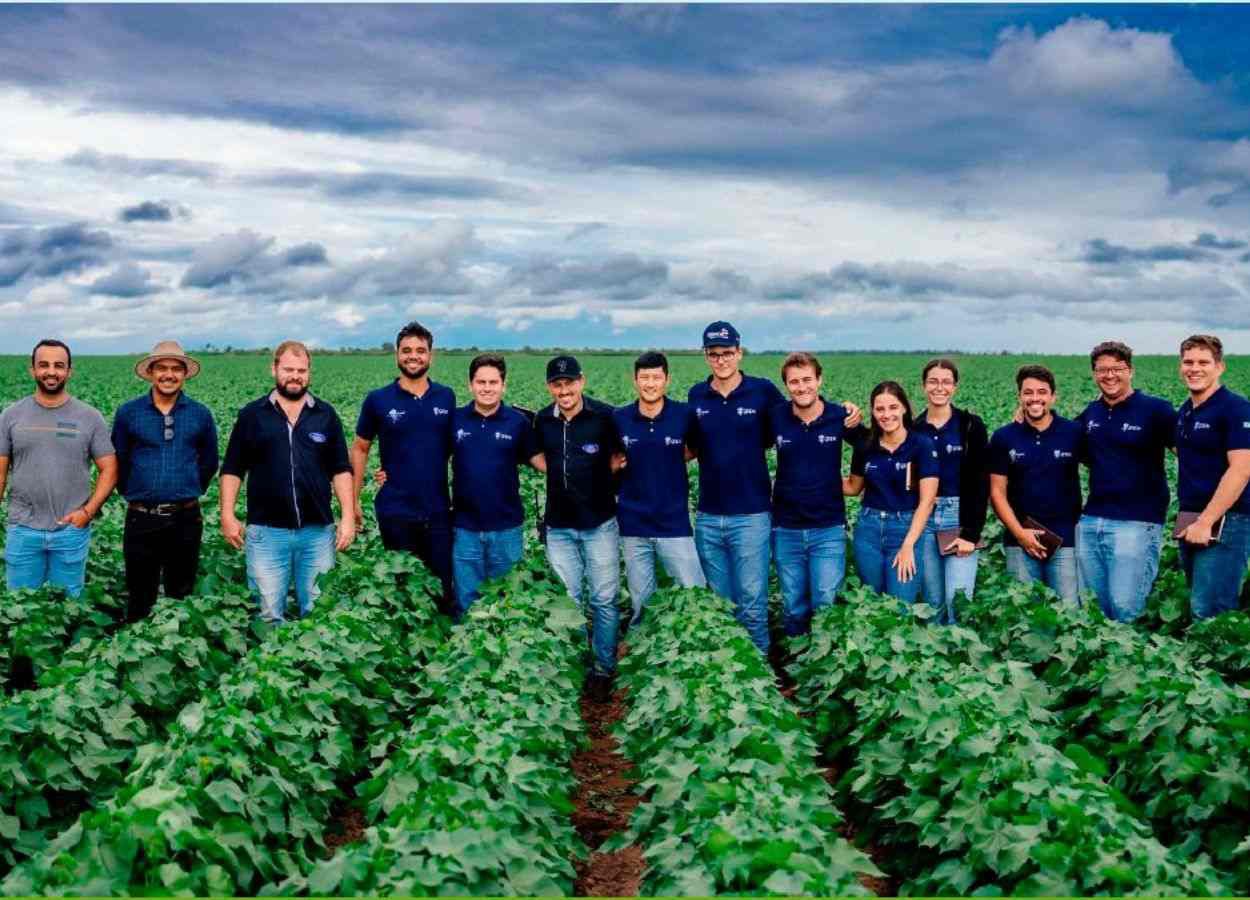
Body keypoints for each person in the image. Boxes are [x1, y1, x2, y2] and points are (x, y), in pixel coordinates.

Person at [220, 341, 355, 622]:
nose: (295, 376)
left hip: (317, 531)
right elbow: (233, 468)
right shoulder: (252, 415)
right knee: (267, 612)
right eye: (288, 369)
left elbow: (341, 469)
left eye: (302, 370)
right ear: (274, 370)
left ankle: (314, 664)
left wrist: (348, 516)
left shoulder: (325, 415)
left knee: (320, 610)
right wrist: (227, 513)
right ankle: (271, 665)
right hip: (267, 533)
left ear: (309, 373)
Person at [686, 321, 788, 653]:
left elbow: (798, 419)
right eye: (713, 354)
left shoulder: (763, 392)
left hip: (752, 513)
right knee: (720, 602)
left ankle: (758, 674)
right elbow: (688, 447)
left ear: (739, 352)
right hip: (709, 516)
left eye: (727, 353)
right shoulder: (696, 395)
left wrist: (845, 416)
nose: (721, 360)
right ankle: (729, 667)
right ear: (706, 356)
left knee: (752, 602)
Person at [533, 355, 622, 702]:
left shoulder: (605, 416)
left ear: (581, 382)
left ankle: (602, 670)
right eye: (557, 384)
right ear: (549, 387)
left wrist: (610, 471)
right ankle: (572, 667)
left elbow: (622, 455)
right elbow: (530, 454)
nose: (564, 389)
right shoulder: (542, 421)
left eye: (569, 382)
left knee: (604, 598)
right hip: (559, 526)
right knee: (568, 601)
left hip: (600, 522)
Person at [111, 341, 219, 622]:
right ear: (150, 372)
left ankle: (177, 652)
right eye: (161, 368)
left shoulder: (200, 414)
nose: (168, 374)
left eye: (175, 369)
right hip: (141, 518)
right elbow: (118, 461)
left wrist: (185, 490)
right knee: (139, 593)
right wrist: (139, 493)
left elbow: (209, 462)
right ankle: (135, 650)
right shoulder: (128, 413)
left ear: (184, 374)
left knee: (180, 592)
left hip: (186, 518)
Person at [352, 321, 456, 613]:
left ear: (431, 356)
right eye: (407, 350)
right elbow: (360, 447)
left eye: (421, 351)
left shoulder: (446, 397)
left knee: (442, 590)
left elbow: (453, 448)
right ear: (397, 355)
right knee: (401, 593)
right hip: (395, 511)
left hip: (438, 512)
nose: (414, 356)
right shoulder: (378, 399)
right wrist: (354, 500)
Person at [0, 339, 117, 598]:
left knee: (68, 605)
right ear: (32, 370)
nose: (51, 372)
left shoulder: (89, 416)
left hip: (70, 532)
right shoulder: (11, 415)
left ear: (69, 371)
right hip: (22, 529)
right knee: (20, 604)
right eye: (43, 365)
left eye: (58, 365)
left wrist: (87, 512)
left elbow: (109, 469)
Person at [1074, 341, 1176, 622]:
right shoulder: (1090, 414)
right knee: (1092, 609)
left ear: (1130, 370)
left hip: (1137, 522)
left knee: (1125, 607)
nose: (1109, 375)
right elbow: (1058, 442)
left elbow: (1191, 456)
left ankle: (1128, 665)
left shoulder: (1156, 410)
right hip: (1092, 521)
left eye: (1117, 368)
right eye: (1102, 370)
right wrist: (1025, 418)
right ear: (1094, 374)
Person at [613, 351, 705, 628]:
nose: (650, 384)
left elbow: (693, 450)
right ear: (635, 381)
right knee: (642, 600)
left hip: (673, 521)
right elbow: (612, 460)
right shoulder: (620, 418)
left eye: (656, 377)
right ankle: (643, 654)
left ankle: (697, 648)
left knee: (692, 592)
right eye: (644, 378)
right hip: (633, 524)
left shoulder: (684, 415)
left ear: (667, 379)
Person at [767, 352, 856, 636]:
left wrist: (855, 483)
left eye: (807, 379)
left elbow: (871, 446)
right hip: (786, 527)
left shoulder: (838, 416)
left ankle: (821, 667)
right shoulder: (776, 416)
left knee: (825, 602)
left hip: (827, 528)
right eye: (794, 382)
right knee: (793, 605)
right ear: (786, 386)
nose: (801, 386)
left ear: (819, 380)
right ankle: (796, 664)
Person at [448, 354, 542, 616]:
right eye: (481, 382)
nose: (487, 388)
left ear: (504, 385)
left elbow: (543, 463)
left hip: (506, 528)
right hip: (465, 527)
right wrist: (389, 472)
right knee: (467, 599)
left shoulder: (518, 422)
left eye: (493, 382)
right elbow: (428, 457)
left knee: (508, 600)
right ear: (470, 385)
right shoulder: (455, 420)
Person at [988, 365, 1083, 602]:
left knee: (1068, 612)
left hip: (1065, 542)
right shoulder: (1003, 437)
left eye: (1042, 392)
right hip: (1018, 543)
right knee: (1022, 613)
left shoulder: (1073, 432)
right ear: (1020, 396)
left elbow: (1104, 469)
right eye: (1028, 393)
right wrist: (1020, 534)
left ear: (1053, 396)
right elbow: (997, 493)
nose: (1035, 398)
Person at [1173, 334, 1250, 620]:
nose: (1194, 368)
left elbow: (1241, 469)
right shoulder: (1185, 411)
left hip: (1227, 520)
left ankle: (1217, 667)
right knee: (1199, 603)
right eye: (1188, 362)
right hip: (1190, 518)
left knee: (1212, 611)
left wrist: (1206, 521)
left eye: (1203, 362)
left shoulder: (1235, 408)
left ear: (1220, 367)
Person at [845, 381, 939, 606]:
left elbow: (927, 501)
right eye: (880, 409)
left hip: (905, 529)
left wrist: (907, 546)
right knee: (870, 603)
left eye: (893, 407)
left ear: (904, 408)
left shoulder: (922, 445)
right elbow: (853, 487)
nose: (886, 415)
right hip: (868, 529)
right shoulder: (865, 446)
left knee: (900, 605)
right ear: (873, 412)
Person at [913, 358, 989, 624]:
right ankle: (938, 661)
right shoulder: (913, 428)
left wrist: (971, 533)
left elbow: (981, 482)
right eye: (933, 381)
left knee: (958, 599)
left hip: (959, 517)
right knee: (932, 603)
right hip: (924, 518)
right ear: (924, 386)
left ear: (955, 387)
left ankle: (961, 661)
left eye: (946, 382)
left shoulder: (970, 426)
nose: (939, 387)